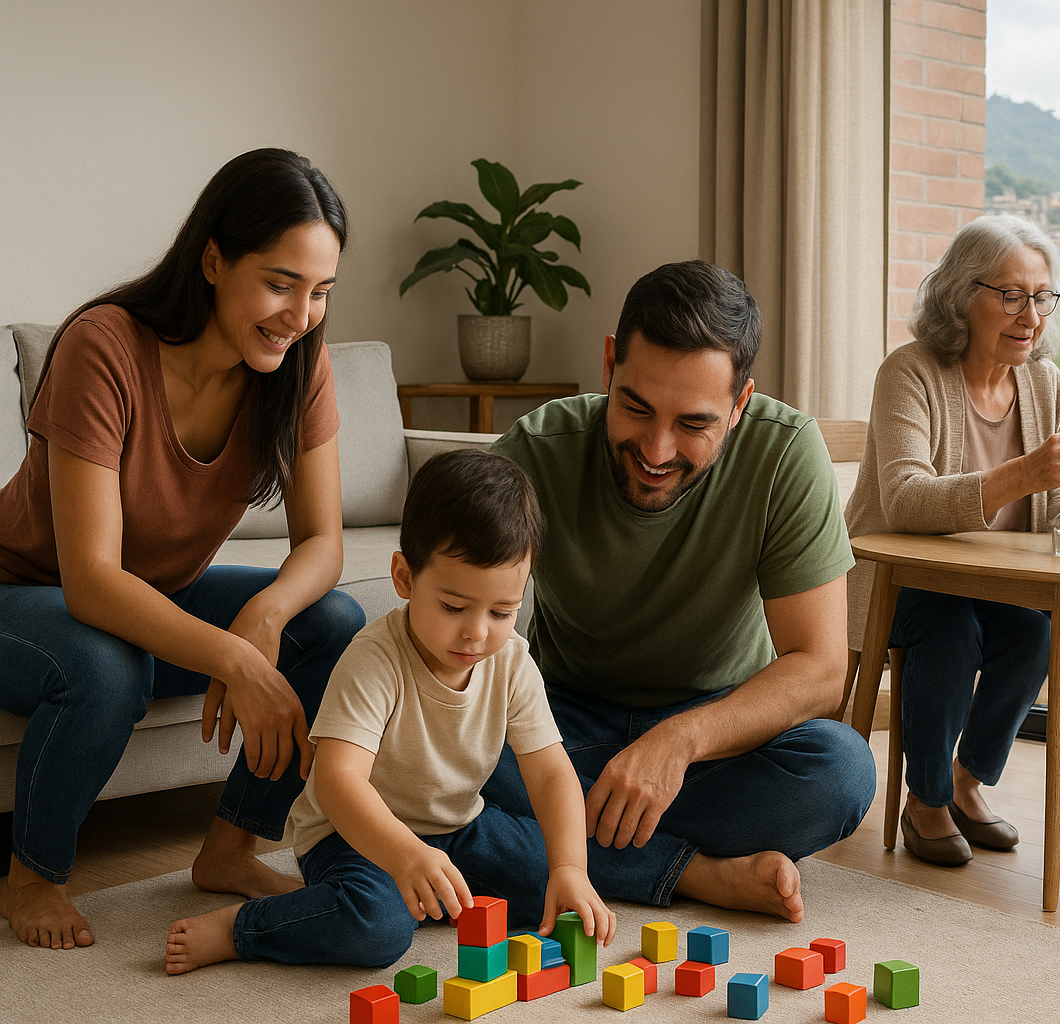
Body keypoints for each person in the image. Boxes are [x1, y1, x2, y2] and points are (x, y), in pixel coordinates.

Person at [0, 149, 366, 950]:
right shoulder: (105, 345)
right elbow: (92, 583)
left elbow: (323, 542)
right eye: (279, 283)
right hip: (22, 598)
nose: (300, 315)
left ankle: (230, 848)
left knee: (332, 622)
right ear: (212, 259)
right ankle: (31, 873)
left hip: (144, 604)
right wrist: (236, 660)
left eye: (320, 293)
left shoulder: (300, 366)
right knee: (106, 662)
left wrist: (266, 615)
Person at [484, 260, 875, 922]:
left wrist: (681, 741)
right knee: (442, 765)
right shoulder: (536, 451)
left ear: (741, 403)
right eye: (635, 406)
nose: (656, 449)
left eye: (693, 424)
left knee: (840, 772)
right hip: (558, 728)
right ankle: (691, 873)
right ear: (609, 364)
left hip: (718, 735)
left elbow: (820, 671)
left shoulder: (785, 453)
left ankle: (555, 850)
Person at [164, 450, 614, 973]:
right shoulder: (374, 657)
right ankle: (242, 929)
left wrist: (570, 868)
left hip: (457, 826)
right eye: (453, 607)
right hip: (354, 836)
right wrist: (403, 854)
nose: (476, 632)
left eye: (501, 611)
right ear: (403, 577)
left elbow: (551, 772)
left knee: (553, 879)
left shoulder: (510, 658)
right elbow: (336, 781)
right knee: (376, 927)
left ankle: (433, 890)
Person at [843, 214, 1060, 867]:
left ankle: (965, 782)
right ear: (961, 295)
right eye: (1010, 295)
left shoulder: (1045, 382)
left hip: (993, 584)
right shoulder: (911, 371)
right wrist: (1024, 473)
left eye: (1041, 298)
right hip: (896, 582)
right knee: (949, 625)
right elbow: (903, 498)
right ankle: (923, 801)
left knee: (1033, 632)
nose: (1029, 316)